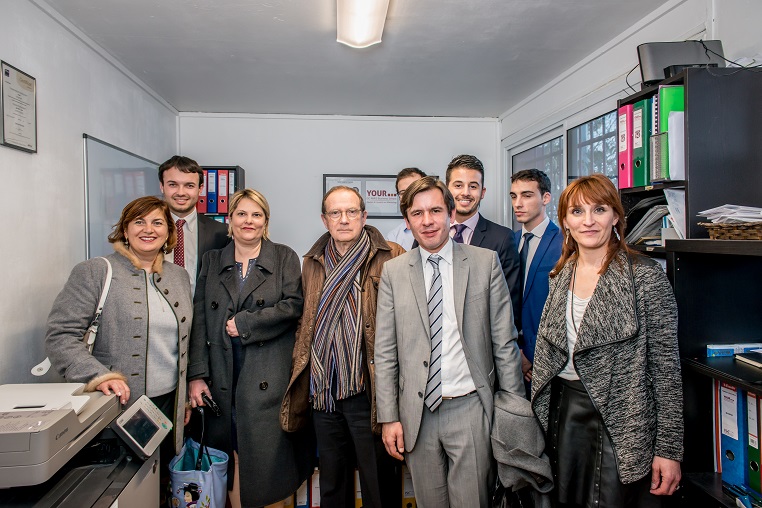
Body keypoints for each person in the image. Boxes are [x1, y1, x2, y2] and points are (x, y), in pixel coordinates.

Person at [531, 174, 683, 508]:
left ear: (615, 216)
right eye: (577, 212)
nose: (588, 221)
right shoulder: (560, 274)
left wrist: (668, 450)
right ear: (565, 222)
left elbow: (667, 371)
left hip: (621, 423)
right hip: (564, 414)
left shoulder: (644, 276)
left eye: (598, 209)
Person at [375, 176, 524, 507]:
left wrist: (512, 413)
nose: (427, 221)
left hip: (470, 408)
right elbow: (385, 352)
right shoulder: (393, 272)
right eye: (417, 213)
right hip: (416, 414)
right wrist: (388, 416)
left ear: (450, 213)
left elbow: (505, 344)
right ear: (407, 219)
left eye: (435, 210)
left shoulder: (484, 263)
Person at [281, 186, 405, 508]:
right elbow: (305, 321)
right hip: (323, 391)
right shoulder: (312, 261)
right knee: (333, 486)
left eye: (351, 212)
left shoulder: (392, 255)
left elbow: (406, 325)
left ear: (364, 216)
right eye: (335, 213)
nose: (344, 219)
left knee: (378, 484)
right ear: (324, 220)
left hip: (369, 390)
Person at [187, 189, 312, 508]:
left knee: (270, 463)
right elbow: (200, 317)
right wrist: (197, 375)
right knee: (231, 458)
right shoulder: (213, 260)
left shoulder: (284, 256)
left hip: (267, 374)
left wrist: (247, 323)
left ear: (266, 222)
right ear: (229, 220)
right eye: (241, 213)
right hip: (221, 375)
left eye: (256, 215)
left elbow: (294, 306)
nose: (248, 221)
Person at [45, 196, 193, 459]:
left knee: (162, 482)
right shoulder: (95, 271)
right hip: (118, 404)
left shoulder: (178, 276)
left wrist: (183, 399)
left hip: (169, 403)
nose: (149, 229)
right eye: (139, 222)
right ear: (125, 230)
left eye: (158, 222)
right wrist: (100, 375)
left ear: (169, 231)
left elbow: (184, 343)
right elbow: (61, 335)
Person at [445, 154, 521, 324]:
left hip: (483, 342)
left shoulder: (502, 238)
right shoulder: (429, 234)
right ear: (446, 190)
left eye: (473, 186)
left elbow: (509, 305)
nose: (466, 192)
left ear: (482, 192)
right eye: (458, 185)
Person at [510, 169, 562, 395]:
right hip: (509, 355)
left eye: (527, 195)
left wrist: (531, 356)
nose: (518, 204)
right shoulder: (508, 241)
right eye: (513, 196)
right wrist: (514, 354)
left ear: (546, 198)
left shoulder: (564, 243)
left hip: (544, 359)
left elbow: (559, 311)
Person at [159, 155, 229, 293]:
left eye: (189, 185)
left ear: (200, 188)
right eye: (173, 184)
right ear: (162, 186)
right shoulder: (147, 232)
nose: (181, 192)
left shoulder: (221, 233)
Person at [386, 167, 426, 250]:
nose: (409, 196)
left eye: (415, 190)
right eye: (403, 193)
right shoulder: (393, 238)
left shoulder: (442, 228)